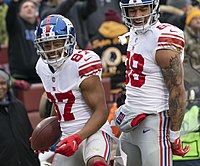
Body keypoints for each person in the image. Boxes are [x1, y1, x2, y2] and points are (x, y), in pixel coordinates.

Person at [114, 0, 190, 166]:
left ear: (153, 7)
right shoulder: (134, 33)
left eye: (143, 9)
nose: (138, 16)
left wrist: (174, 134)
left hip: (154, 123)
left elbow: (177, 90)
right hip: (130, 120)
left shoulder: (163, 38)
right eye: (132, 11)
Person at [34, 14, 112, 166]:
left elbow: (101, 111)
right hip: (67, 136)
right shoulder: (42, 67)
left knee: (96, 162)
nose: (51, 50)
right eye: (46, 45)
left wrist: (77, 138)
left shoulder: (82, 63)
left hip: (94, 133)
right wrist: (47, 135)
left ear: (69, 41)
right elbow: (58, 103)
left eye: (57, 43)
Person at [0, 68, 40, 166]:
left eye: (2, 83)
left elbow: (30, 138)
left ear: (8, 84)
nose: (0, 87)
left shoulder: (18, 106)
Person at [6, 0, 41, 83]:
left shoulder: (39, 28)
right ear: (19, 12)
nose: (29, 9)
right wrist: (14, 3)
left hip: (38, 74)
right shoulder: (15, 25)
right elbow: (10, 15)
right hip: (20, 75)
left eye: (32, 7)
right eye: (25, 7)